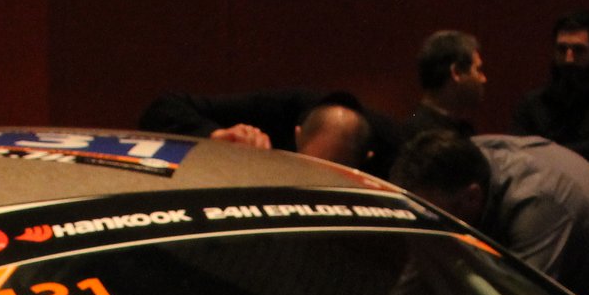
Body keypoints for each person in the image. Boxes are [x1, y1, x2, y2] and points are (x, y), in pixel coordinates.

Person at [390, 130, 589, 295]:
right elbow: (418, 274)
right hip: (561, 292)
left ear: (472, 197)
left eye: (430, 217)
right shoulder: (460, 166)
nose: (424, 225)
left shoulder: (536, 200)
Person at [138, 88, 396, 176]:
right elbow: (163, 108)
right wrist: (217, 136)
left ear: (367, 159)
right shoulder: (282, 109)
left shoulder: (394, 144)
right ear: (296, 136)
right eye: (307, 168)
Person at [511, 10, 589, 185]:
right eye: (562, 49)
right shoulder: (532, 103)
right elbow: (518, 157)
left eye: (579, 50)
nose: (569, 59)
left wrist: (545, 153)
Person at [401, 31, 486, 142]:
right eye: (478, 70)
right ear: (456, 72)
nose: (483, 79)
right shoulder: (419, 137)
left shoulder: (463, 129)